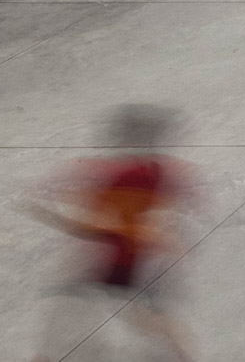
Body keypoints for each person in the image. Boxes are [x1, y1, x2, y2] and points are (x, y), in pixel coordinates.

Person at [29, 106, 198, 361]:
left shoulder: (109, 172)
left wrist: (76, 222)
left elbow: (43, 200)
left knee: (71, 311)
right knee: (142, 315)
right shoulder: (165, 173)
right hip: (137, 263)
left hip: (117, 262)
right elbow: (179, 216)